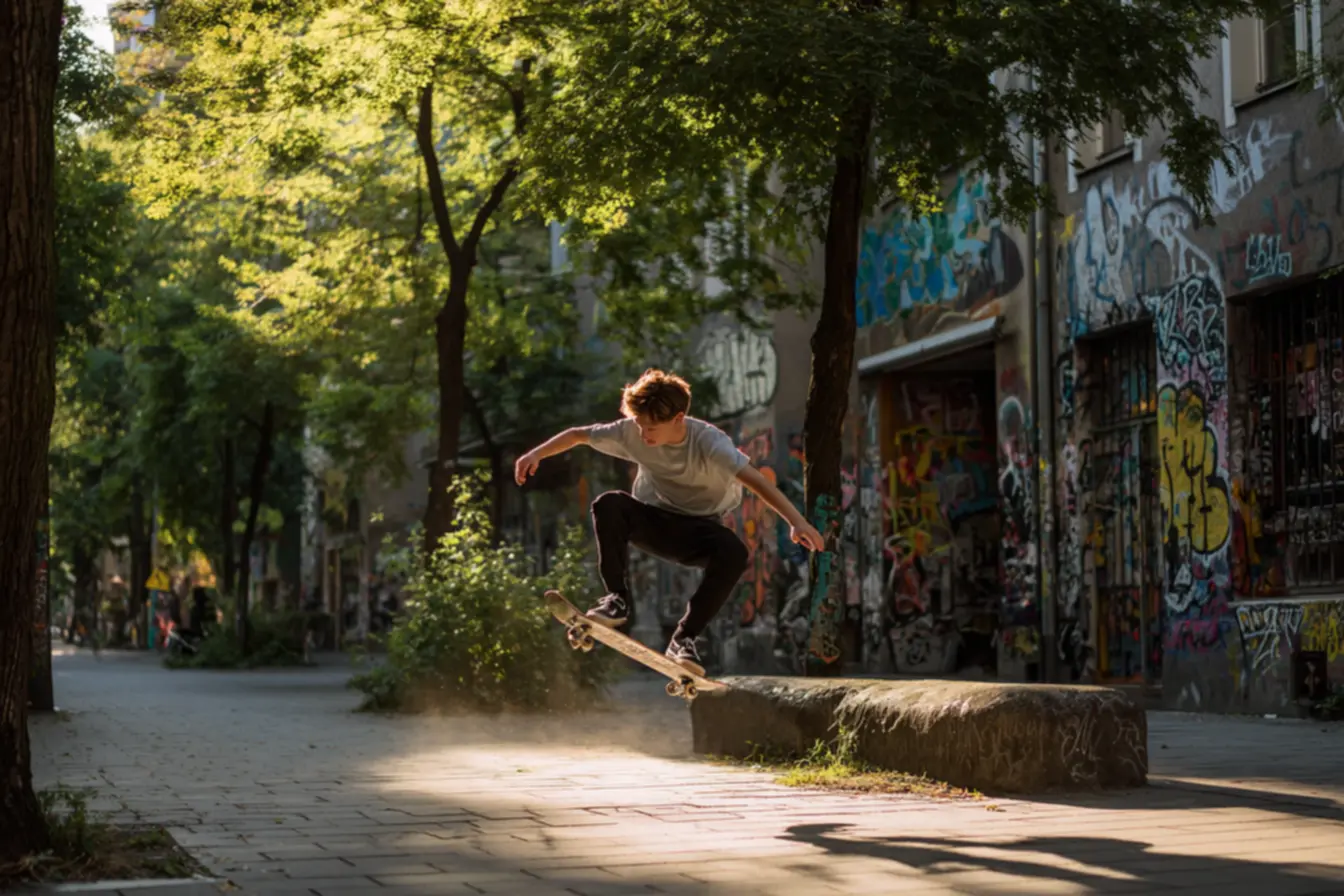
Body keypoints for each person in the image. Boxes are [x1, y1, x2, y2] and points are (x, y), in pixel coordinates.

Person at [514, 368, 825, 676]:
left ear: (678, 418)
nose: (644, 435)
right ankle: (616, 600)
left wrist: (797, 522)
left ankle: (684, 639)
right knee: (609, 504)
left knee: (734, 552)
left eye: (652, 428)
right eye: (640, 425)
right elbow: (578, 435)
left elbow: (757, 482)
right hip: (655, 521)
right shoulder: (631, 430)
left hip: (699, 530)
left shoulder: (710, 443)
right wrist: (535, 455)